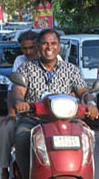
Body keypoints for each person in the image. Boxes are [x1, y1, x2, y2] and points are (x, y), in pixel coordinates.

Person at [12, 29, 99, 179]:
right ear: (38, 46)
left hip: (70, 119)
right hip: (35, 119)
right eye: (45, 44)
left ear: (59, 47)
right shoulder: (26, 68)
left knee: (88, 138)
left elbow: (83, 91)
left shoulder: (71, 69)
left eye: (53, 43)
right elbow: (18, 90)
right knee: (21, 138)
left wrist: (90, 103)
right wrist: (20, 102)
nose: (49, 47)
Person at [0, 30, 39, 179]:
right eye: (24, 48)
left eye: (32, 47)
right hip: (27, 113)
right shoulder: (20, 62)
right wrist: (12, 112)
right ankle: (4, 168)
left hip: (53, 114)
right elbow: (13, 90)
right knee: (6, 130)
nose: (28, 52)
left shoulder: (59, 62)